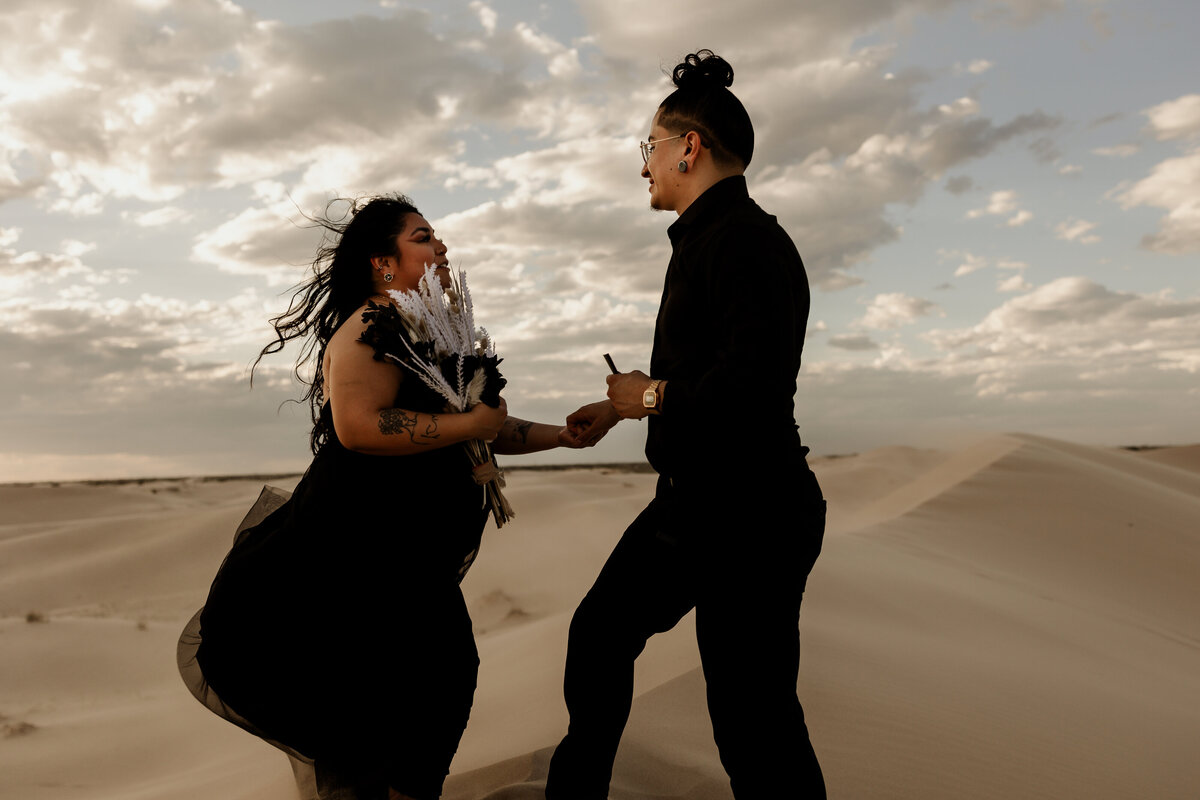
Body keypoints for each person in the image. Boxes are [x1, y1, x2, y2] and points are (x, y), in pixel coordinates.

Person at [177, 194, 582, 800]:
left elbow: (477, 422)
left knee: (426, 690)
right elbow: (359, 427)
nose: (440, 247)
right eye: (423, 237)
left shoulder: (427, 332)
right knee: (389, 699)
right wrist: (470, 428)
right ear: (383, 264)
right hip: (356, 553)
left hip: (406, 558)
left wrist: (561, 436)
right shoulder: (371, 324)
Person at [546, 50, 827, 798]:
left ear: (688, 148)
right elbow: (709, 367)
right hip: (696, 506)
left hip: (753, 513)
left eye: (650, 148)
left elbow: (751, 390)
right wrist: (619, 405)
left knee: (753, 720)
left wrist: (649, 398)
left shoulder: (748, 245)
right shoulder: (707, 240)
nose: (645, 166)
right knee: (600, 635)